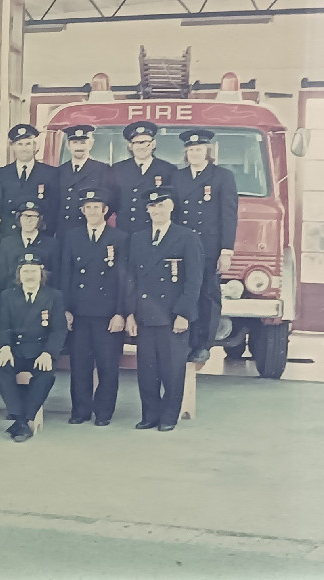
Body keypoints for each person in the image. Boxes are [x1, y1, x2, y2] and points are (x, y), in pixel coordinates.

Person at [122, 188, 203, 433]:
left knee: (172, 370)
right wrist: (130, 313)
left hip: (172, 316)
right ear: (147, 210)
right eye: (152, 206)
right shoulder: (138, 238)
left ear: (171, 207)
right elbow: (131, 279)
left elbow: (193, 280)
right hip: (145, 315)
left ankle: (169, 416)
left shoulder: (187, 237)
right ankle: (149, 415)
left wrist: (183, 313)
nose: (156, 210)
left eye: (161, 205)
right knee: (147, 370)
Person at [57, 185, 130, 427]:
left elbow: (124, 280)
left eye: (96, 207)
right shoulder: (72, 236)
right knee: (80, 365)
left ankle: (104, 412)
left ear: (105, 210)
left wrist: (120, 313)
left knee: (108, 366)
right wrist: (66, 309)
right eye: (88, 207)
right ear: (82, 210)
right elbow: (65, 274)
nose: (92, 211)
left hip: (107, 314)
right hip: (79, 313)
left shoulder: (119, 238)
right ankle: (80, 410)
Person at [171, 128, 239, 363]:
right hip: (182, 246)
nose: (194, 153)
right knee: (183, 292)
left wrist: (226, 251)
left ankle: (203, 344)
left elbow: (229, 216)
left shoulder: (222, 176)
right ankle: (185, 341)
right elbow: (174, 214)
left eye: (199, 149)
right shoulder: (177, 177)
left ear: (207, 151)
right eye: (190, 150)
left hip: (209, 246)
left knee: (208, 295)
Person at [0, 252, 70, 442]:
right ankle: (22, 420)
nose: (29, 275)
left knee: (45, 375)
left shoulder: (54, 296)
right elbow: (2, 326)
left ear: (41, 273)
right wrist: (4, 348)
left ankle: (21, 420)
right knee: (1, 371)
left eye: (33, 271)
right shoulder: (7, 295)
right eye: (25, 271)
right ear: (19, 274)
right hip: (15, 349)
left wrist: (49, 353)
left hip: (40, 350)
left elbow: (59, 329)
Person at [110, 119, 179, 238]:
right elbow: (112, 201)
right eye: (137, 143)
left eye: (146, 142)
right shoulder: (117, 169)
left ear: (153, 144)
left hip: (154, 233)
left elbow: (173, 204)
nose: (141, 147)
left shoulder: (168, 170)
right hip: (125, 232)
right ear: (130, 146)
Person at [51, 124, 116, 237]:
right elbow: (53, 203)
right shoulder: (59, 171)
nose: (79, 147)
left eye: (83, 142)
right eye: (75, 142)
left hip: (89, 231)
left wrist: (96, 221)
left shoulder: (103, 169)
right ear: (68, 145)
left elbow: (111, 200)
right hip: (63, 232)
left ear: (90, 144)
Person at [0, 123, 58, 233]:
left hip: (39, 233)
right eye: (20, 144)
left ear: (34, 146)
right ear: (13, 147)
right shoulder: (1, 174)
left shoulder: (50, 173)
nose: (24, 149)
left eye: (28, 144)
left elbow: (54, 207)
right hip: (9, 234)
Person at [0, 198, 59, 285]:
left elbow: (55, 277)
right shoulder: (7, 243)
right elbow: (2, 275)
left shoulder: (52, 245)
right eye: (25, 216)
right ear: (19, 218)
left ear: (39, 219)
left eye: (33, 217)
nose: (29, 221)